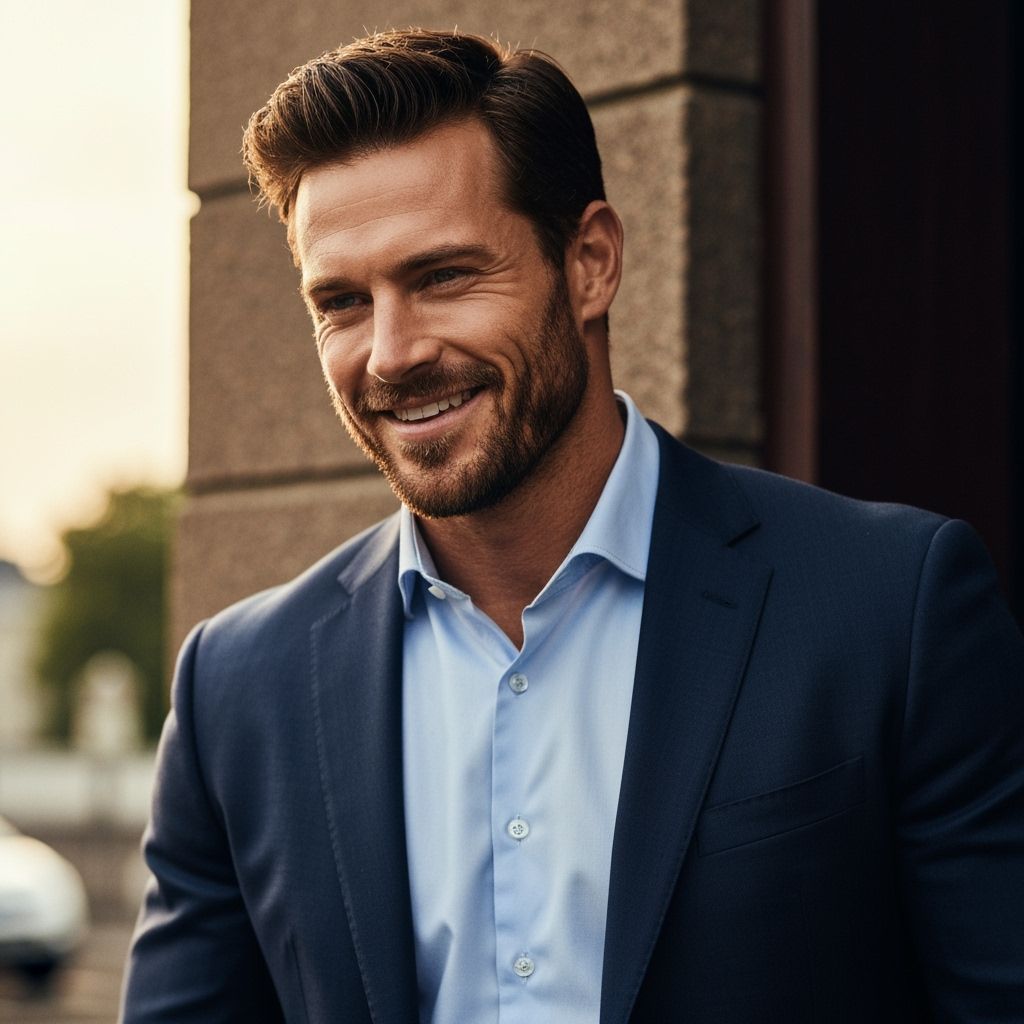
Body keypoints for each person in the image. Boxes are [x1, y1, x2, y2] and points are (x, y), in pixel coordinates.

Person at [120, 28, 1024, 1024]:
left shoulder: (889, 608)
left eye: (444, 277)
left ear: (590, 263)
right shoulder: (237, 691)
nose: (389, 353)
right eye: (341, 301)